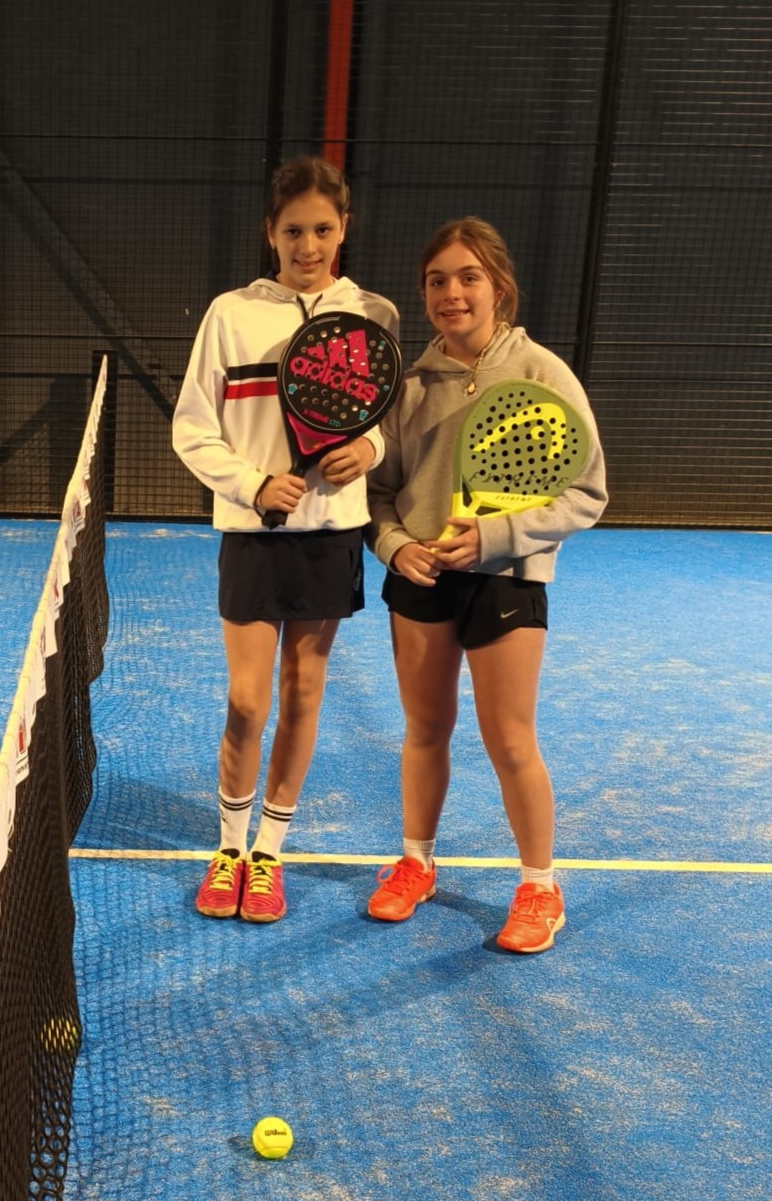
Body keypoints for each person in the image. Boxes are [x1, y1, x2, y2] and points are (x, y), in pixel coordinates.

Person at [366, 217, 608, 953]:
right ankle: (416, 864)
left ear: (499, 287)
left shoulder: (541, 373)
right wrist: (396, 547)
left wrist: (494, 539)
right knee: (425, 729)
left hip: (505, 580)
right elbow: (379, 493)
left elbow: (586, 493)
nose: (452, 292)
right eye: (437, 280)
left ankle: (541, 887)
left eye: (468, 277)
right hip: (422, 578)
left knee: (509, 738)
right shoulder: (410, 386)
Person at [171, 156, 399, 923]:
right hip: (254, 534)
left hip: (330, 533)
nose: (309, 245)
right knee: (247, 701)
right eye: (294, 230)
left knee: (303, 693)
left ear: (344, 230)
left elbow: (387, 422)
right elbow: (192, 428)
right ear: (270, 232)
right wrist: (251, 483)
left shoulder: (372, 314)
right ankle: (228, 847)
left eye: (323, 230)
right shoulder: (230, 315)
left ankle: (267, 853)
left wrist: (367, 449)